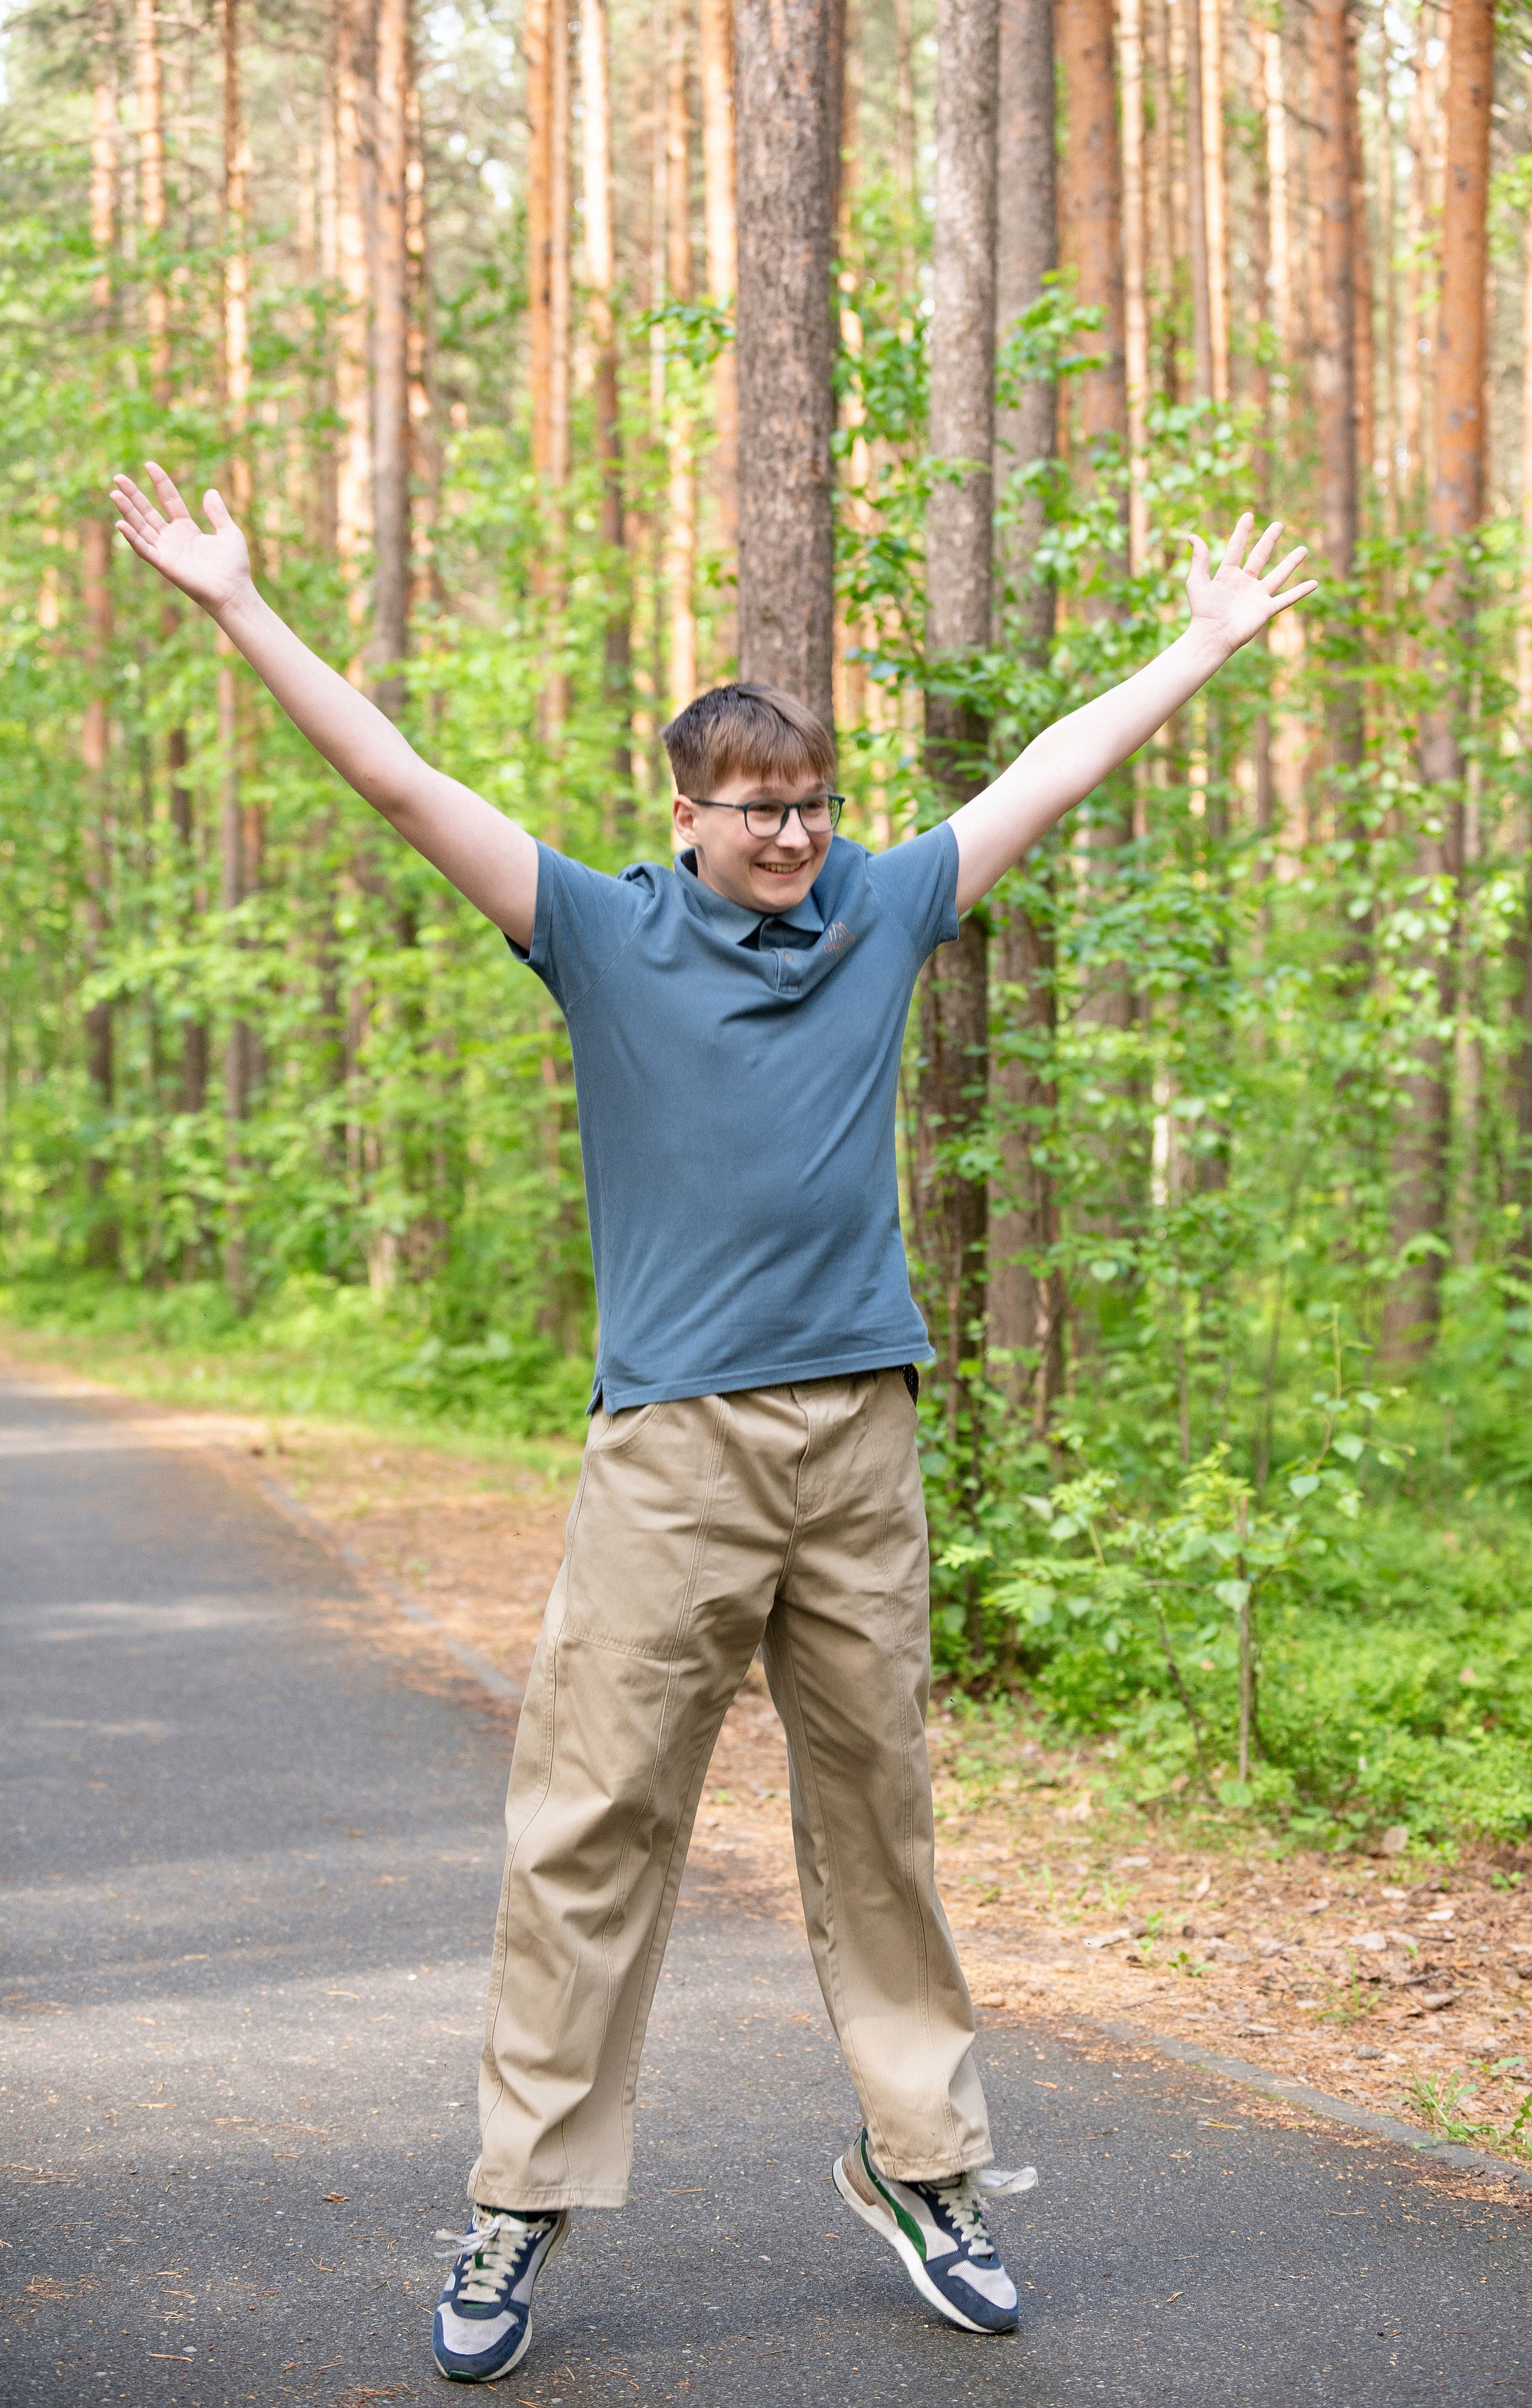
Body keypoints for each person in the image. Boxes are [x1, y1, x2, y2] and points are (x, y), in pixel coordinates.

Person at [111, 462, 1315, 2383]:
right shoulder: (600, 932)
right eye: (759, 807)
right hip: (673, 1449)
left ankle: (924, 2163)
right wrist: (241, 605)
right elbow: (402, 782)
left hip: (861, 1438)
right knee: (592, 1819)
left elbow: (1049, 775)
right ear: (683, 814)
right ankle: (519, 2195)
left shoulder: (882, 910)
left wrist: (1200, 644)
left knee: (881, 1814)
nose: (796, 833)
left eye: (814, 801)